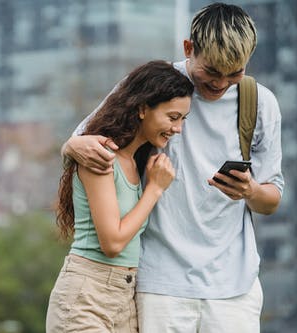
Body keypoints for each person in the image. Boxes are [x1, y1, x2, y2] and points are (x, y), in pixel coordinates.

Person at [61, 3, 284, 333]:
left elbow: (272, 198)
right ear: (188, 48)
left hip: (233, 288)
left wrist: (250, 191)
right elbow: (86, 139)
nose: (221, 84)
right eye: (211, 72)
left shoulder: (259, 102)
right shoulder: (154, 86)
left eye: (234, 73)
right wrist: (70, 146)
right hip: (159, 283)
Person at [46, 60, 194, 332]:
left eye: (183, 119)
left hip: (124, 298)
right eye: (172, 117)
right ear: (142, 109)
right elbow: (112, 242)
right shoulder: (101, 155)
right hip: (86, 297)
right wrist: (155, 189)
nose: (178, 129)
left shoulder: (135, 161)